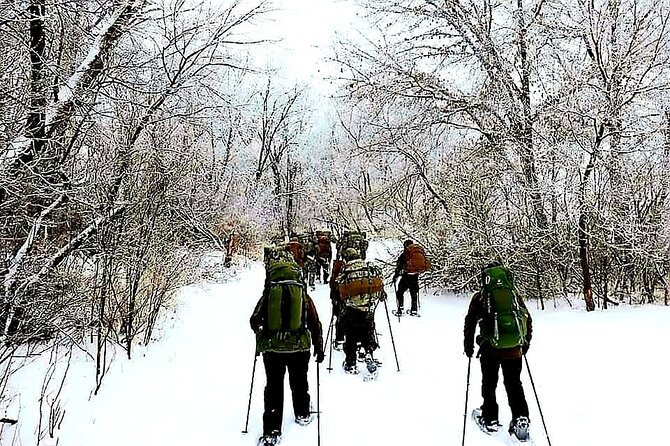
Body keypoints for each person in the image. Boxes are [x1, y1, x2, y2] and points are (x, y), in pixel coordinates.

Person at [250, 254, 325, 446]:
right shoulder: (302, 295)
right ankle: (302, 413)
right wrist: (319, 346)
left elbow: (254, 320)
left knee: (274, 388)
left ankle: (272, 432)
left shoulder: (269, 293)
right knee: (299, 381)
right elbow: (315, 322)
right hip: (299, 348)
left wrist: (262, 333)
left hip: (273, 350)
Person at [463, 261, 533, 441]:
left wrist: (468, 346)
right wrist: (524, 344)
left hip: (490, 349)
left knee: (489, 383)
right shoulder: (514, 295)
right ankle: (520, 418)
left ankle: (490, 417)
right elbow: (528, 320)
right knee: (514, 384)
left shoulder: (481, 297)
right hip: (514, 350)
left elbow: (470, 322)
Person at [337, 248, 385, 375]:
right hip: (369, 307)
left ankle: (351, 363)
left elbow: (340, 290)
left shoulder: (347, 271)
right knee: (367, 332)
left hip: (353, 308)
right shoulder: (369, 268)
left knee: (351, 335)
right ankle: (369, 353)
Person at [392, 239, 430, 316]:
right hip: (415, 275)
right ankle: (414, 310)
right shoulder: (417, 251)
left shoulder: (405, 254)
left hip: (406, 275)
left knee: (400, 292)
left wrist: (395, 276)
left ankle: (400, 309)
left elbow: (399, 266)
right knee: (413, 292)